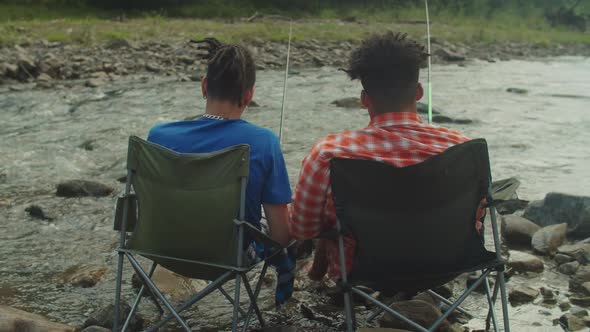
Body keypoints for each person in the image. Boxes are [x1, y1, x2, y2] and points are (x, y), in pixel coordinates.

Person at [289, 32, 472, 282]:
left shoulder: (329, 153)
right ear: (418, 92)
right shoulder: (461, 149)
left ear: (365, 100)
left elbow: (302, 228)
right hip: (449, 263)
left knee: (331, 213)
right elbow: (475, 220)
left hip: (361, 270)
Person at [147, 38, 294, 305]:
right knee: (284, 243)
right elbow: (281, 236)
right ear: (248, 95)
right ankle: (283, 304)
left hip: (159, 247)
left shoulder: (158, 135)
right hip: (229, 256)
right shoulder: (263, 141)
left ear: (204, 86)